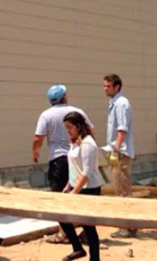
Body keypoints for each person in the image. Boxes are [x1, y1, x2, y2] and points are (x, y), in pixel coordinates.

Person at [33, 85, 93, 244]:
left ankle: (64, 233)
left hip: (58, 160)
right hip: (77, 157)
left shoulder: (46, 115)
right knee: (82, 196)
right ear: (64, 97)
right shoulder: (77, 111)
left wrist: (35, 152)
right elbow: (90, 131)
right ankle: (88, 233)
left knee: (60, 197)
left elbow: (38, 137)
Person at [59, 111, 104, 261]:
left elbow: (86, 172)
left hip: (89, 189)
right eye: (66, 128)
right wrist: (68, 186)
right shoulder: (75, 141)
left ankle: (95, 258)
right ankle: (77, 248)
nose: (68, 131)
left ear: (78, 126)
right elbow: (74, 167)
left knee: (88, 226)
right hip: (76, 186)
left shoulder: (88, 144)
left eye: (69, 127)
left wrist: (74, 192)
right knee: (62, 217)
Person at [103, 73, 136, 238]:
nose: (105, 89)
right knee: (120, 188)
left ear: (117, 87)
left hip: (120, 153)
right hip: (117, 151)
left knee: (122, 190)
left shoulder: (121, 103)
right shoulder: (115, 103)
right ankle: (130, 225)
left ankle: (127, 227)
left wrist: (115, 149)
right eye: (104, 86)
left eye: (108, 86)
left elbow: (122, 129)